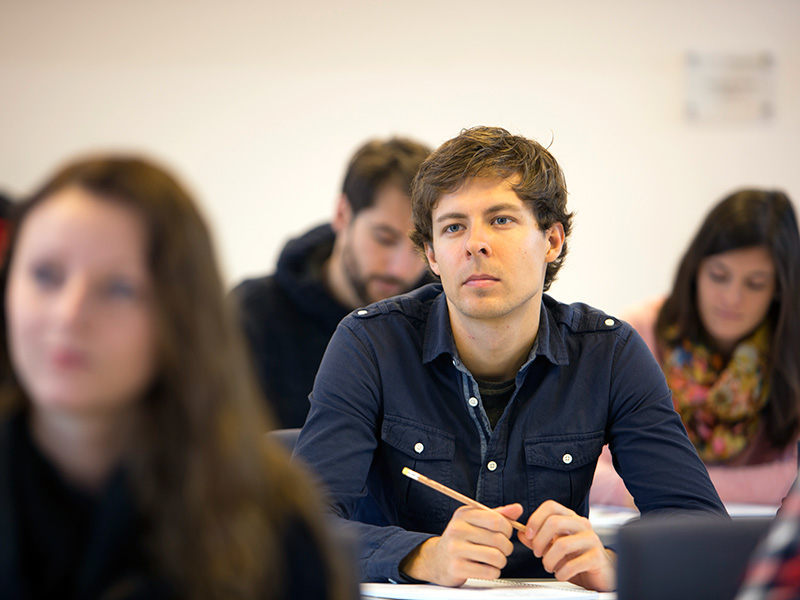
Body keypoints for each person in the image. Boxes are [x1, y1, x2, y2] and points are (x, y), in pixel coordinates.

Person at [294, 126, 727, 593]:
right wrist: (423, 555)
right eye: (453, 226)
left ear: (553, 240)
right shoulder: (369, 344)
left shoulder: (610, 354)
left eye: (500, 220)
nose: (474, 244)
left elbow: (701, 531)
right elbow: (298, 531)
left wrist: (616, 564)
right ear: (433, 255)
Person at [0, 156, 356, 600]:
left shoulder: (274, 528)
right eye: (45, 275)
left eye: (117, 289)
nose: (68, 315)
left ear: (180, 316)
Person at [591, 190, 800, 508]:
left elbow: (792, 476)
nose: (732, 298)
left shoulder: (791, 350)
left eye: (755, 283)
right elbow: (584, 466)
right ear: (695, 271)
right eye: (719, 276)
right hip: (657, 539)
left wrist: (663, 489)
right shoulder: (636, 335)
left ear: (779, 290)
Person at [233, 137, 432, 428]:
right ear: (342, 214)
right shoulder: (251, 314)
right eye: (384, 238)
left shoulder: (443, 321)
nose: (400, 267)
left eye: (418, 246)